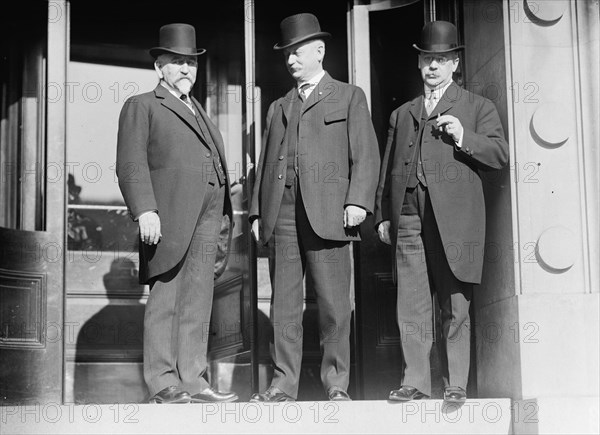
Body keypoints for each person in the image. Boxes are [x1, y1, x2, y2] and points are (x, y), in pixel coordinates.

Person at [374, 21, 509, 404]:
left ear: (454, 64)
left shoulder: (476, 107)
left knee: (455, 301)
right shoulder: (403, 114)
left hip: (455, 216)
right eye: (427, 58)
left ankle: (454, 385)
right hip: (408, 213)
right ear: (419, 63)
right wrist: (384, 213)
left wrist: (463, 137)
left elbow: (499, 155)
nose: (433, 66)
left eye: (441, 59)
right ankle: (415, 382)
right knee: (411, 301)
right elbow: (387, 169)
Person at [249, 13, 380, 402]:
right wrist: (258, 212)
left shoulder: (349, 95)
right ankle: (283, 383)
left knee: (335, 306)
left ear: (319, 51)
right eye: (286, 53)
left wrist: (358, 200)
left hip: (330, 213)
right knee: (284, 306)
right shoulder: (278, 106)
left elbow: (366, 156)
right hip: (283, 214)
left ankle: (336, 384)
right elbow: (265, 162)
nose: (290, 59)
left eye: (297, 51)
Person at [116, 23, 238, 404]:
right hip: (167, 216)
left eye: (192, 63)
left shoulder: (197, 109)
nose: (187, 70)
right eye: (177, 62)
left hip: (208, 215)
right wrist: (145, 210)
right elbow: (130, 163)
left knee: (198, 299)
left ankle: (193, 380)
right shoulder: (143, 104)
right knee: (166, 297)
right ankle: (162, 381)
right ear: (160, 68)